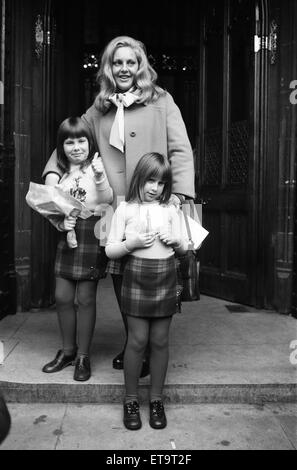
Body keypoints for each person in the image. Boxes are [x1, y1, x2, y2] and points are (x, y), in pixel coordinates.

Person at [42, 36, 195, 376]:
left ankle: (143, 349)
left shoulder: (162, 101)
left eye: (130, 62)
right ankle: (132, 344)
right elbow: (71, 138)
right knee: (121, 277)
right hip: (114, 209)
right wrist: (53, 173)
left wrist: (180, 194)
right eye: (117, 62)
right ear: (108, 68)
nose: (124, 68)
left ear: (141, 66)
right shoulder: (99, 107)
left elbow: (181, 150)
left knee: (150, 275)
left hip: (152, 205)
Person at [106, 152, 188, 430]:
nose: (155, 188)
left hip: (165, 276)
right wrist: (133, 242)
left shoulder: (171, 211)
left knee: (161, 341)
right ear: (139, 178)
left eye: (161, 183)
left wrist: (176, 240)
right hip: (137, 276)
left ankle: (156, 400)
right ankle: (130, 400)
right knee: (137, 341)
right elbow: (110, 249)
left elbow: (186, 248)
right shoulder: (125, 209)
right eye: (150, 180)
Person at [42, 117, 113, 381]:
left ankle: (83, 355)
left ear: (89, 142)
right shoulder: (58, 171)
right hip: (67, 233)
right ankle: (67, 351)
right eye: (69, 142)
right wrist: (60, 222)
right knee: (62, 296)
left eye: (81, 141)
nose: (76, 147)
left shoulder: (96, 166)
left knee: (85, 299)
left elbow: (107, 199)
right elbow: (50, 205)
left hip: (91, 232)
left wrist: (99, 176)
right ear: (61, 146)